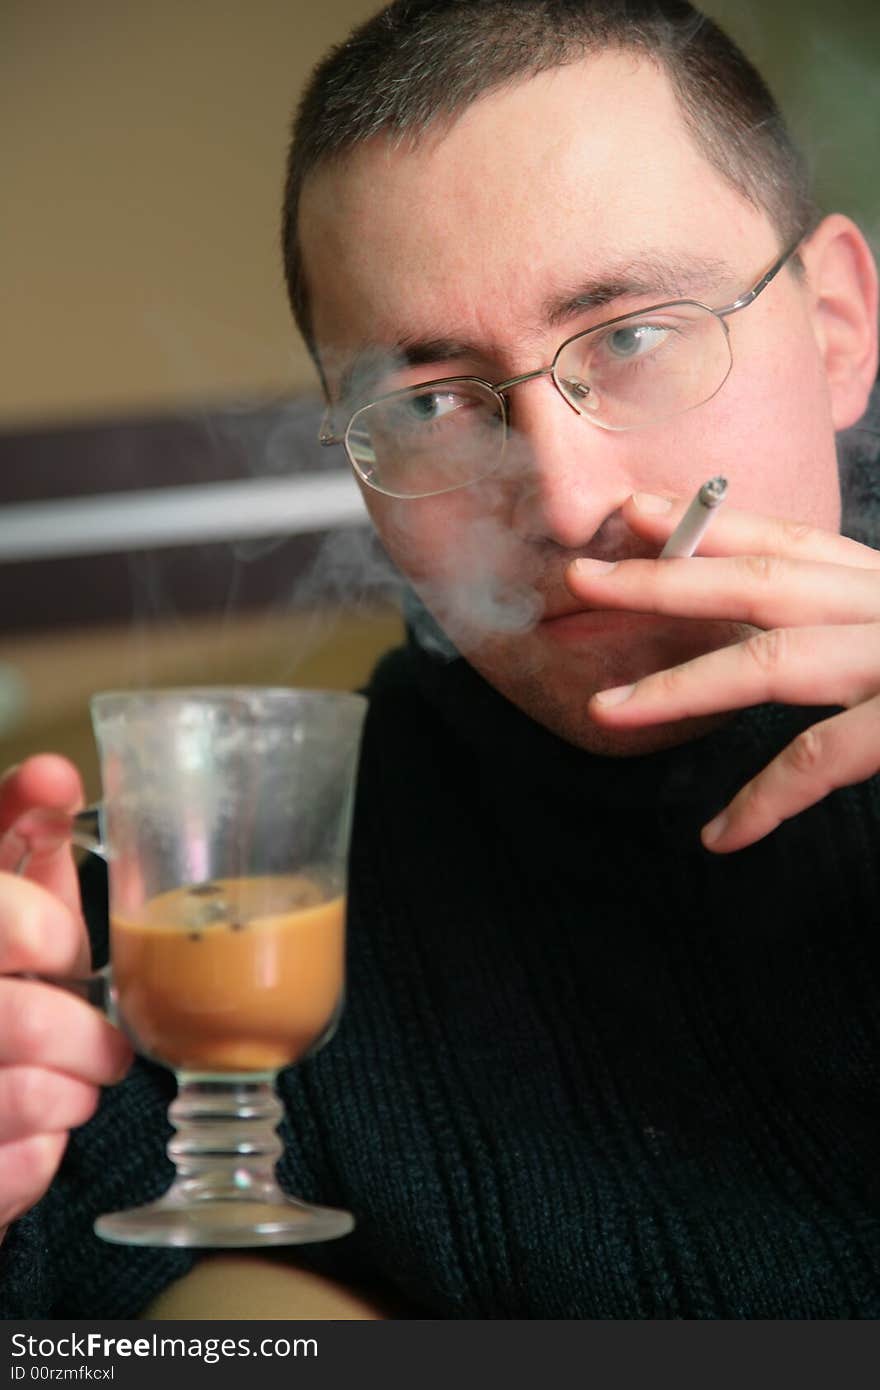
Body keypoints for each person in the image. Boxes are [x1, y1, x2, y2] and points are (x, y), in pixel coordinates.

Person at [2, 0, 879, 1318]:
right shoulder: (281, 883)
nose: (567, 497)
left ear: (838, 327)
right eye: (435, 401)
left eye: (633, 336)